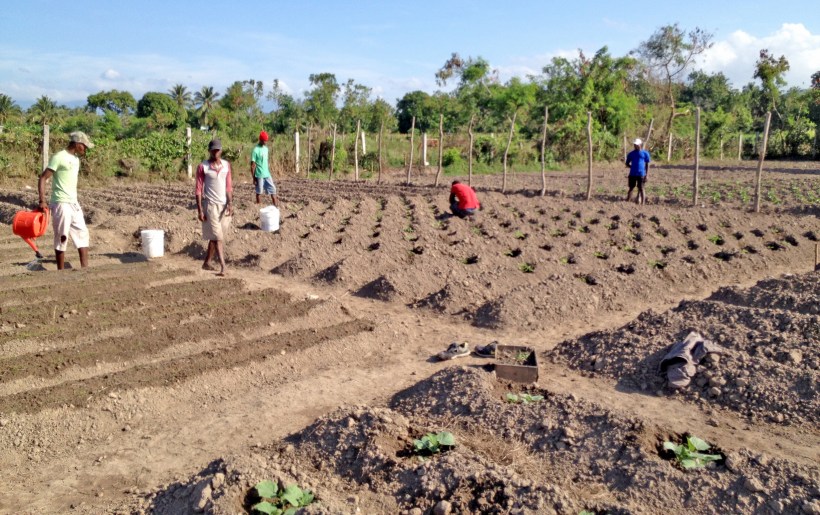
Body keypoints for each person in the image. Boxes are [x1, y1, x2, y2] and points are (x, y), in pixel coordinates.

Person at [37, 131, 94, 270]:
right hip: (61, 203)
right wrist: (42, 200)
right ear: (77, 144)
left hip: (73, 202)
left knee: (82, 233)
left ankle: (85, 268)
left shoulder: (76, 160)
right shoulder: (59, 157)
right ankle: (61, 270)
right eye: (84, 146)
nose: (85, 149)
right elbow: (43, 178)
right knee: (62, 236)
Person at [195, 139, 233, 275]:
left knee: (217, 235)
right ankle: (223, 266)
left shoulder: (226, 165)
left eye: (217, 150)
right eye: (213, 150)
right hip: (210, 206)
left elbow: (228, 187)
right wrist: (200, 210)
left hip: (223, 205)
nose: (215, 152)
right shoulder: (203, 167)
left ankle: (207, 262)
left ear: (221, 150)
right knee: (218, 237)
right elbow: (198, 189)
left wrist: (230, 203)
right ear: (209, 151)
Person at [251, 130, 279, 207]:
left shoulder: (266, 149)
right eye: (264, 141)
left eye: (266, 141)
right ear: (260, 140)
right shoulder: (255, 150)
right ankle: (258, 207)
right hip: (259, 175)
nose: (265, 142)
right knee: (259, 192)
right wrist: (254, 178)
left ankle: (276, 207)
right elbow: (252, 165)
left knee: (273, 190)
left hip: (267, 174)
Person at [625, 138, 650, 205]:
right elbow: (627, 163)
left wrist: (646, 175)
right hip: (632, 173)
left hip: (641, 174)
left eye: (637, 145)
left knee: (641, 188)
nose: (635, 146)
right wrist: (632, 167)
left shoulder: (645, 153)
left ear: (640, 144)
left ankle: (643, 203)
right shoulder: (631, 154)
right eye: (634, 145)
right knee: (631, 188)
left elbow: (647, 164)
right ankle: (628, 201)